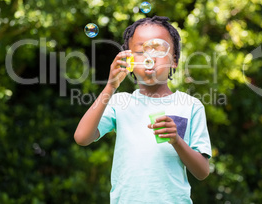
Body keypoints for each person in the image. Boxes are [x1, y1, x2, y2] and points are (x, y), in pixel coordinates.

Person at [74, 16, 212, 203]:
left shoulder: (190, 105)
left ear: (174, 60)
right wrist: (110, 86)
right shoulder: (119, 102)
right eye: (140, 51)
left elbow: (202, 172)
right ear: (129, 61)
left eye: (159, 50)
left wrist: (176, 141)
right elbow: (82, 137)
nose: (150, 57)